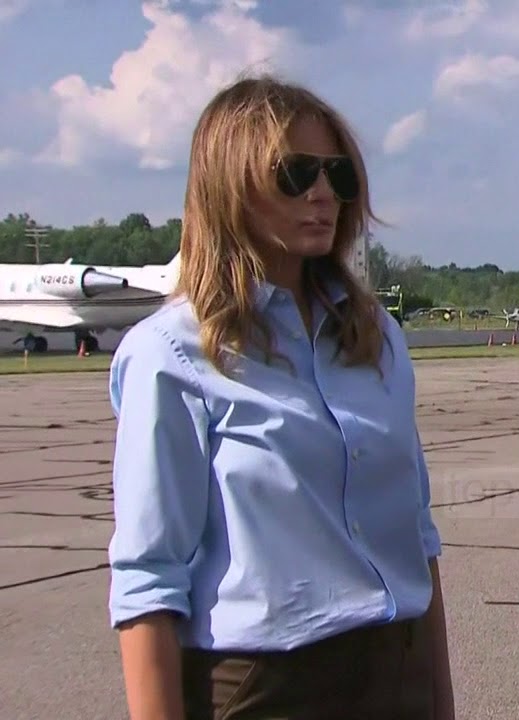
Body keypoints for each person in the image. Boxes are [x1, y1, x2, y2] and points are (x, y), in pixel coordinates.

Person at [106, 74, 455, 719]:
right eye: (295, 173)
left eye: (338, 175)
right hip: (268, 688)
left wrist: (439, 702)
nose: (324, 193)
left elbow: (419, 536)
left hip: (396, 669)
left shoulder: (375, 337)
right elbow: (148, 579)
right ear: (230, 185)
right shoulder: (173, 354)